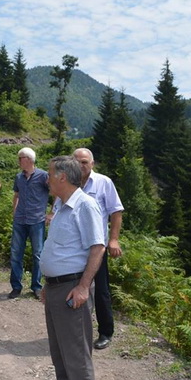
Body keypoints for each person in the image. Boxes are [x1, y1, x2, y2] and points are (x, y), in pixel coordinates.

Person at [37, 155, 105, 380]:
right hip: (56, 288)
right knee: (59, 353)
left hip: (72, 288)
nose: (47, 179)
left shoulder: (85, 205)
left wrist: (83, 287)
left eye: (50, 174)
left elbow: (97, 248)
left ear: (62, 177)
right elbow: (59, 249)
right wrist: (48, 282)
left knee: (76, 356)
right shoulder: (61, 205)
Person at [73, 148, 124, 350]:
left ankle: (105, 332)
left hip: (97, 248)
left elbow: (116, 212)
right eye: (76, 161)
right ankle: (76, 330)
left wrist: (114, 240)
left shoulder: (104, 182)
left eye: (84, 162)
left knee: (101, 290)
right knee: (72, 287)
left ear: (92, 163)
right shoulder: (69, 181)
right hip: (73, 248)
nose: (80, 165)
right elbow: (58, 205)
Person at [8, 147, 50, 300]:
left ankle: (36, 287)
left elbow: (55, 193)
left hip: (37, 220)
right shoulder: (19, 177)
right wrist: (14, 211)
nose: (19, 160)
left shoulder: (43, 175)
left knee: (37, 254)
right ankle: (16, 287)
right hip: (20, 220)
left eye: (21, 158)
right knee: (15, 253)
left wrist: (52, 213)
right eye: (19, 158)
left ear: (30, 159)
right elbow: (16, 195)